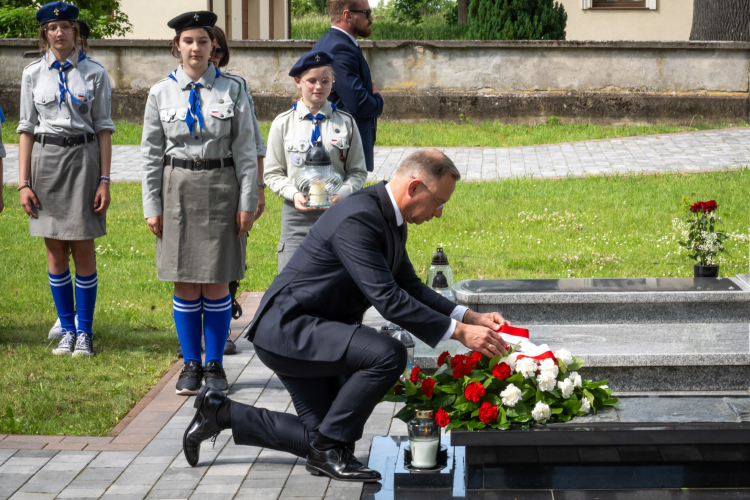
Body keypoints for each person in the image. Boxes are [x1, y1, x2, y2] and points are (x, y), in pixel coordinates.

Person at [182, 150, 511, 481]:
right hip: (289, 330)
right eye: (439, 201)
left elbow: (408, 284)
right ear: (414, 188)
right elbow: (389, 300)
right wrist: (458, 333)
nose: (439, 213)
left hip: (313, 329)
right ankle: (326, 450)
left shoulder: (389, 217)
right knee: (387, 356)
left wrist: (468, 316)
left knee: (328, 437)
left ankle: (221, 411)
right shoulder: (360, 218)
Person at [140, 11, 259, 396]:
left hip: (222, 187)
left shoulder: (234, 89)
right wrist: (151, 204)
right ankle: (191, 362)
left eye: (203, 41)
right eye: (188, 41)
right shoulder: (160, 92)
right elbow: (150, 154)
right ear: (177, 46)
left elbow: (245, 151)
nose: (195, 48)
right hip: (177, 189)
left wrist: (248, 201)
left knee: (218, 281)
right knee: (185, 280)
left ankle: (215, 366)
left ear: (213, 48)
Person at [18, 1, 115, 357]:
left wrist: (105, 179)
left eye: (67, 27)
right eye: (53, 27)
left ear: (76, 32)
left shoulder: (95, 73)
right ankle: (67, 328)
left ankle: (85, 334)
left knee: (83, 246)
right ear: (45, 33)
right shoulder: (32, 74)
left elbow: (104, 128)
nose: (60, 33)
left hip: (83, 160)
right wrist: (23, 182)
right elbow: (26, 130)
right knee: (54, 248)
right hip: (46, 162)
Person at [265, 51, 367, 272]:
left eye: (325, 81)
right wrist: (293, 194)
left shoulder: (347, 123)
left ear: (333, 82)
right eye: (311, 81)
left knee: (334, 279)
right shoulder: (283, 124)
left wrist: (344, 193)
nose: (318, 87)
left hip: (337, 213)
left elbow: (358, 171)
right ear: (298, 82)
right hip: (296, 216)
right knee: (291, 280)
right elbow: (272, 173)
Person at [312, 0, 382, 173]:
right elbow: (358, 103)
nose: (371, 17)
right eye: (367, 12)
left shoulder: (334, 42)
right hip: (344, 153)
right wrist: (378, 99)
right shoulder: (340, 48)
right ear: (347, 15)